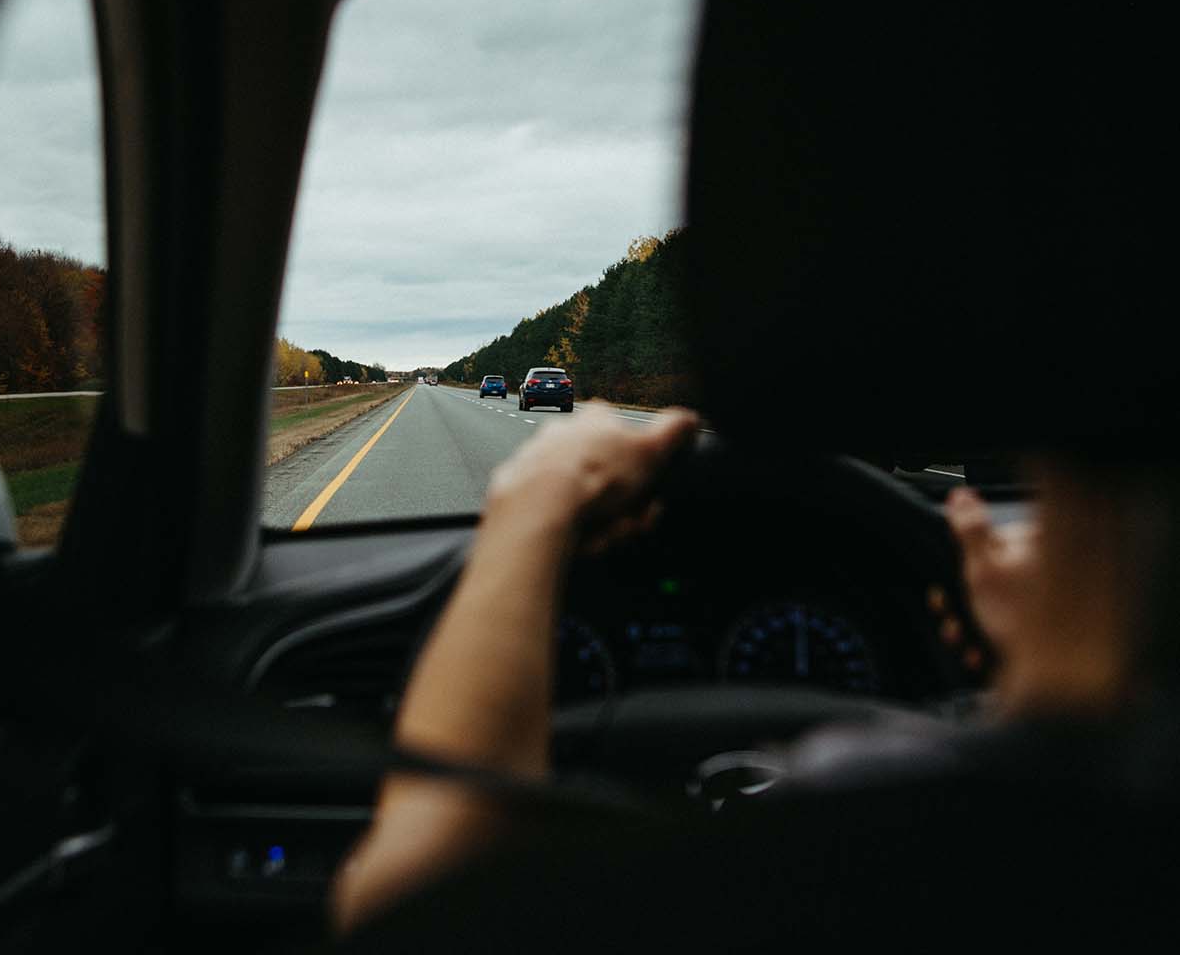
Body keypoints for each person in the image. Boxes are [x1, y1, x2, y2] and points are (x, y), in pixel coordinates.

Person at [331, 401, 1169, 941]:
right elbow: (1070, 747)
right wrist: (1041, 678)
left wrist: (535, 504)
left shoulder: (850, 822)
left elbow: (414, 908)